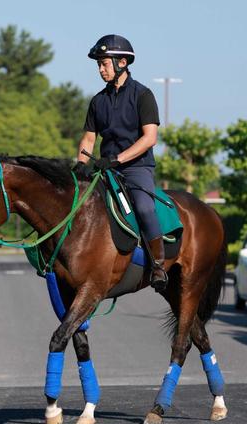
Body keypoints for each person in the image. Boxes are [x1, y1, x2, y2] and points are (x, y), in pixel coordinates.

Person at [73, 34, 168, 292]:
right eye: (99, 65)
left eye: (104, 63)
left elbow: (150, 138)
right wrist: (80, 165)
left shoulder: (143, 95)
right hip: (105, 168)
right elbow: (89, 138)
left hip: (136, 168)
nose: (100, 69)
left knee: (145, 208)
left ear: (122, 62)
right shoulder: (97, 101)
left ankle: (158, 264)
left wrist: (117, 159)